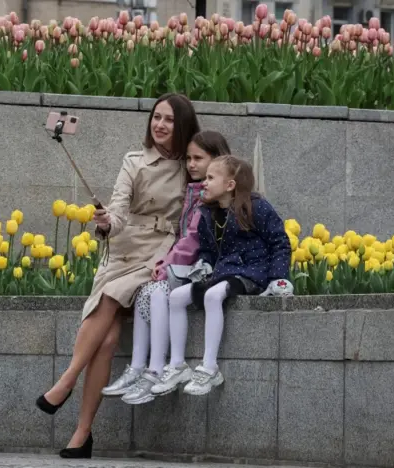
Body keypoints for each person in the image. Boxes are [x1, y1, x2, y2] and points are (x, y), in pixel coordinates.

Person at [35, 93, 200, 458]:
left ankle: (66, 380)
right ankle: (82, 434)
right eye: (156, 117)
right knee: (106, 341)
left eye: (169, 120)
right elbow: (119, 207)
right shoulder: (134, 160)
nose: (160, 125)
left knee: (111, 296)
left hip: (157, 253)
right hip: (121, 248)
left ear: (183, 124)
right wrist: (108, 222)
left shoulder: (191, 166)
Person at [101, 131, 232, 405]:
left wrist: (167, 264)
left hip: (203, 270)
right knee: (147, 290)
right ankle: (140, 368)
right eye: (188, 158)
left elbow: (193, 240)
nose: (192, 165)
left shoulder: (209, 200)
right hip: (187, 266)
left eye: (199, 159)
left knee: (158, 290)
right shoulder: (194, 192)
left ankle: (157, 370)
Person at [151, 155, 292, 397]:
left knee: (214, 296)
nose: (204, 182)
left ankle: (209, 367)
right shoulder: (208, 214)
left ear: (230, 185)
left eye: (210, 178)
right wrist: (204, 264)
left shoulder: (257, 207)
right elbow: (207, 249)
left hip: (251, 272)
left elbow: (280, 242)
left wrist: (277, 277)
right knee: (176, 297)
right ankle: (177, 365)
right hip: (222, 272)